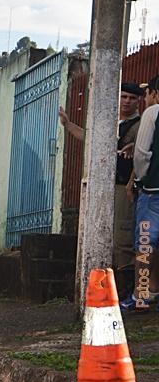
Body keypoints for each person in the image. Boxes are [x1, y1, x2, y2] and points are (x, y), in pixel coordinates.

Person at [60, 81, 143, 271]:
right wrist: (68, 124)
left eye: (132, 98)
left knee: (122, 240)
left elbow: (141, 157)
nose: (127, 101)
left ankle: (126, 287)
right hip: (105, 186)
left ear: (138, 101)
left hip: (124, 189)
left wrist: (131, 183)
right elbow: (90, 138)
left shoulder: (140, 126)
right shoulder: (112, 123)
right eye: (123, 97)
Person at [125, 76, 159, 311]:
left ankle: (142, 294)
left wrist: (140, 178)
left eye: (147, 93)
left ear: (155, 93)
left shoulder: (153, 112)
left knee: (145, 243)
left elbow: (142, 154)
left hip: (153, 190)